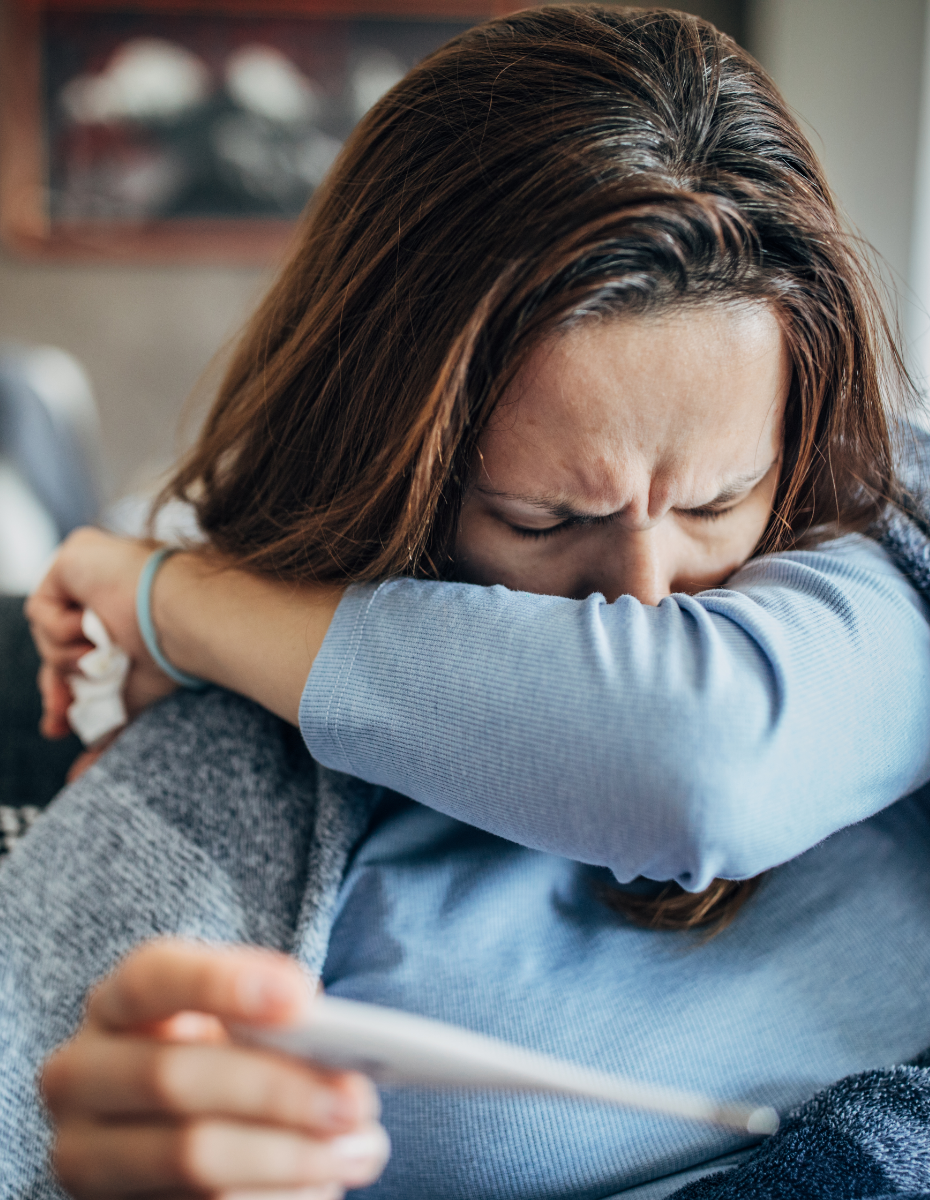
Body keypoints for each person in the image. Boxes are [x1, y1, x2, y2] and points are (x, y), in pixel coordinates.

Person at [13, 6, 930, 1198]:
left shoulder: (879, 567)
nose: (647, 600)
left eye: (718, 503)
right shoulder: (219, 784)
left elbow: (695, 757)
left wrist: (172, 598)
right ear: (395, 467)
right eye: (546, 521)